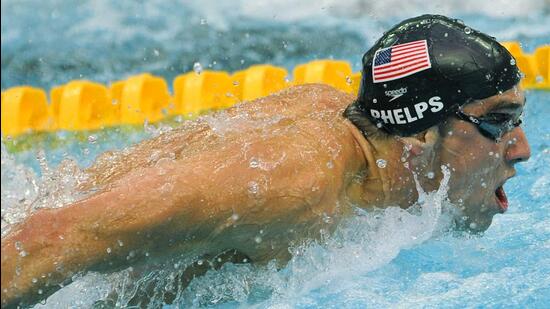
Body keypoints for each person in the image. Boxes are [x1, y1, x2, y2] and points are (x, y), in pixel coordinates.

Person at [1, 14, 530, 308]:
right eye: (498, 122)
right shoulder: (293, 182)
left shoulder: (340, 123)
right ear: (418, 133)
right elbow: (53, 235)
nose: (523, 149)